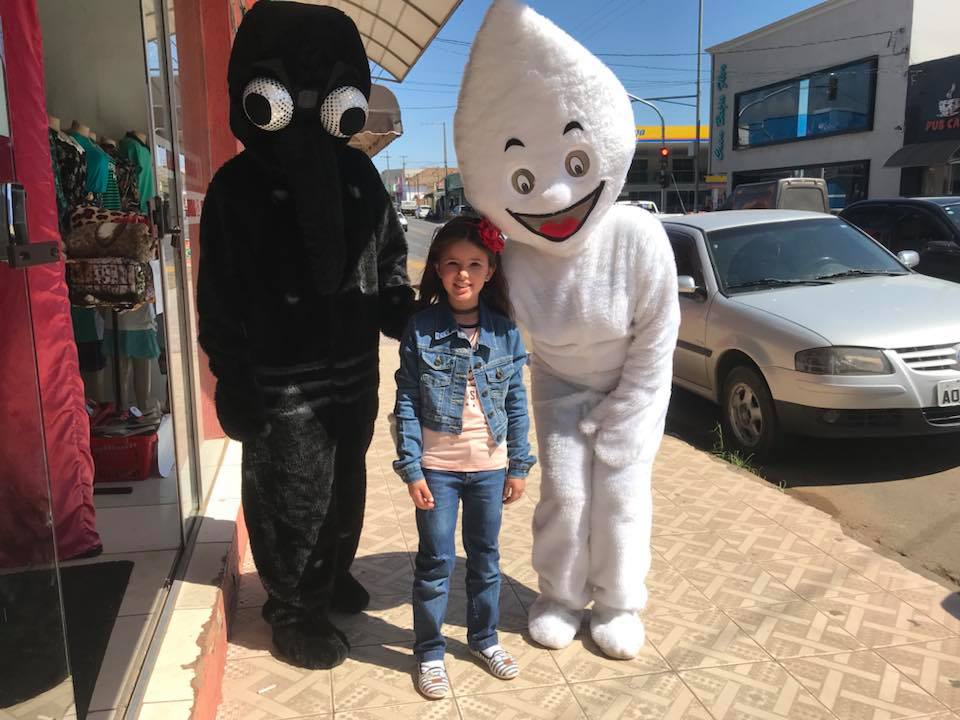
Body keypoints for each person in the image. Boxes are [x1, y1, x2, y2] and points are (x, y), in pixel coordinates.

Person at [393, 216, 536, 699]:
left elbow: (516, 401)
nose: (463, 274)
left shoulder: (505, 332)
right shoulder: (421, 329)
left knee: (485, 559)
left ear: (491, 271)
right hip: (438, 469)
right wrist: (411, 467)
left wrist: (519, 465)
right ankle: (430, 651)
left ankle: (484, 639)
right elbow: (407, 402)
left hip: (490, 470)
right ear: (437, 267)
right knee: (435, 561)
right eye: (452, 264)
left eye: (475, 264)